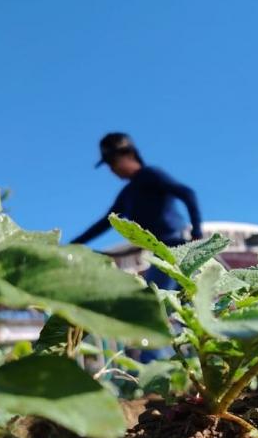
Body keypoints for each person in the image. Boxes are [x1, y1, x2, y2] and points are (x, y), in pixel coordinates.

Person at [71, 132, 204, 361]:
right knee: (175, 310)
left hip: (176, 249)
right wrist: (74, 244)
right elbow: (105, 222)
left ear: (129, 154)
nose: (112, 171)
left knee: (152, 308)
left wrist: (197, 233)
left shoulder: (150, 175)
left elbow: (187, 193)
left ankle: (157, 366)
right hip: (159, 253)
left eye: (112, 163)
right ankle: (174, 369)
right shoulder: (128, 194)